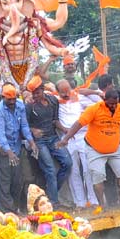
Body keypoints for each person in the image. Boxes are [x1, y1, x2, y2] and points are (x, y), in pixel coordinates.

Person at [57, 87, 120, 210]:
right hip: (95, 149)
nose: (113, 106)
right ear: (104, 100)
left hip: (115, 149)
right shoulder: (94, 109)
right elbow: (79, 124)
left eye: (115, 104)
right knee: (98, 177)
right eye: (110, 104)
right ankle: (102, 206)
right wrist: (66, 139)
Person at [25, 75, 71, 207]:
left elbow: (55, 120)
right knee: (50, 170)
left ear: (43, 89)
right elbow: (24, 126)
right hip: (39, 142)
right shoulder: (29, 106)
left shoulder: (53, 101)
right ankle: (54, 203)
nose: (35, 96)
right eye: (33, 93)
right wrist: (33, 130)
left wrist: (66, 130)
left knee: (67, 163)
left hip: (53, 138)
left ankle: (50, 195)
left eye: (37, 92)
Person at [0, 83, 37, 212]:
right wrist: (9, 152)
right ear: (3, 97)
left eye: (14, 99)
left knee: (18, 181)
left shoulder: (20, 105)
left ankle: (16, 207)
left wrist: (31, 142)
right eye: (9, 99)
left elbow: (24, 125)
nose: (12, 102)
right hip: (4, 151)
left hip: (17, 147)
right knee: (5, 181)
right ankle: (8, 211)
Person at [55, 79, 98, 209]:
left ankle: (94, 200)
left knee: (87, 169)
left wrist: (94, 92)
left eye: (68, 91)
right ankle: (80, 202)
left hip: (83, 136)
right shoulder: (55, 101)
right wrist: (65, 131)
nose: (66, 94)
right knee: (73, 170)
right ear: (58, 92)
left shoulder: (80, 97)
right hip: (67, 139)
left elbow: (97, 105)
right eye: (63, 93)